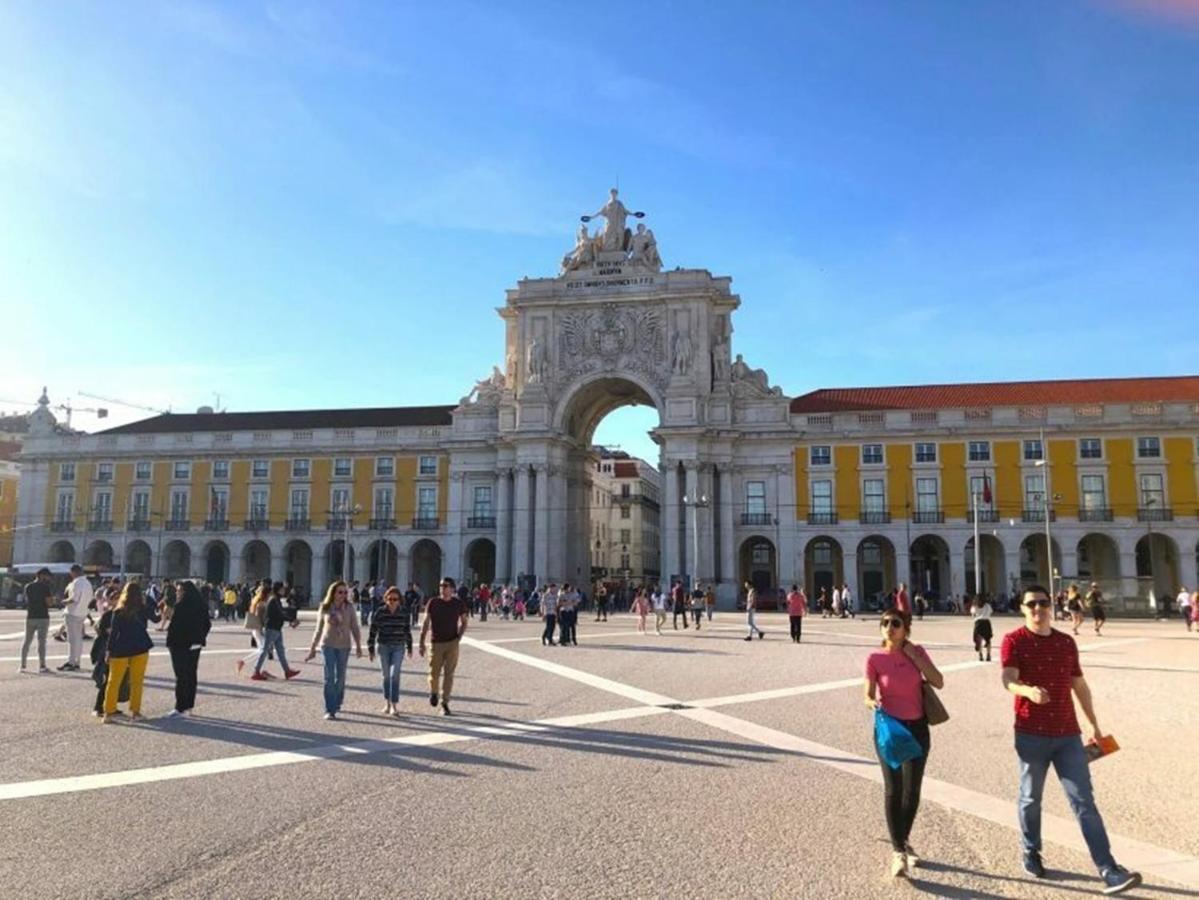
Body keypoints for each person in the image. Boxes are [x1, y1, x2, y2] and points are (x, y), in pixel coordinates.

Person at [1000, 585, 1142, 894]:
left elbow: (1079, 684)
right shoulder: (1014, 640)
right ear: (1022, 609)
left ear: (1051, 606)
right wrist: (1028, 691)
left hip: (1067, 734)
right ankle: (1031, 851)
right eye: (1031, 604)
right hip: (1030, 734)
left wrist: (1094, 724)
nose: (1038, 609)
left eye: (1042, 603)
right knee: (1030, 798)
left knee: (1084, 801)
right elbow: (1008, 679)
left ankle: (1109, 869)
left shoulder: (1065, 642)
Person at [863, 608, 944, 879]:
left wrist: (916, 658)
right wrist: (871, 701)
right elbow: (867, 692)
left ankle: (903, 839)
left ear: (905, 629)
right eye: (884, 623)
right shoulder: (874, 658)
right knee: (893, 788)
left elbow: (938, 681)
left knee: (912, 792)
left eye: (895, 623)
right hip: (890, 730)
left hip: (918, 728)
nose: (889, 627)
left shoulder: (917, 652)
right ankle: (898, 850)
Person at [101, 581, 160, 723]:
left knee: (113, 681)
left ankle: (108, 712)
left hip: (120, 648)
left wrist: (109, 650)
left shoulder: (118, 610)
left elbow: (113, 633)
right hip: (140, 646)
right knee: (136, 682)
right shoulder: (143, 608)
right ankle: (135, 712)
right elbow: (156, 619)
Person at [305, 581, 363, 720]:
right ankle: (329, 709)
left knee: (341, 677)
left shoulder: (349, 608)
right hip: (328, 645)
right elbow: (318, 629)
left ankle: (337, 700)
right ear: (333, 593)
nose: (343, 595)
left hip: (344, 646)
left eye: (345, 592)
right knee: (329, 677)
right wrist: (313, 648)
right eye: (340, 592)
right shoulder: (325, 607)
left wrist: (359, 645)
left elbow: (354, 627)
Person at [419, 577, 469, 715]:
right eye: (441, 585)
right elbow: (425, 622)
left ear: (452, 589)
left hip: (452, 642)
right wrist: (422, 641)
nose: (442, 588)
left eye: (445, 585)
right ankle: (434, 692)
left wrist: (459, 637)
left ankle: (445, 702)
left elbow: (464, 622)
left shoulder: (458, 603)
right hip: (436, 642)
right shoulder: (433, 602)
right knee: (433, 673)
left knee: (449, 674)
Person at [165, 581, 211, 718]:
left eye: (179, 591)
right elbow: (207, 624)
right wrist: (199, 637)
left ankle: (180, 707)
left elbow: (175, 627)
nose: (177, 593)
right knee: (191, 675)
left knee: (181, 676)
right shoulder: (201, 605)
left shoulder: (181, 606)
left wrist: (170, 642)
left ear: (185, 592)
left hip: (180, 645)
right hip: (195, 645)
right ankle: (189, 706)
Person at [368, 586, 413, 717]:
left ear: (399, 600)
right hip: (383, 646)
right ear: (385, 599)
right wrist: (370, 649)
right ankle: (387, 702)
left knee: (395, 675)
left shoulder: (404, 613)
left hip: (399, 646)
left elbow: (407, 631)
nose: (392, 601)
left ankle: (394, 705)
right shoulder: (380, 612)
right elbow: (373, 631)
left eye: (395, 599)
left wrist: (409, 647)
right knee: (386, 675)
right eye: (390, 599)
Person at [250, 585, 301, 682]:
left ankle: (287, 671)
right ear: (278, 589)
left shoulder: (275, 599)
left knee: (280, 650)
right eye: (282, 589)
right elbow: (279, 614)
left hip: (276, 628)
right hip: (272, 628)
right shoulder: (274, 600)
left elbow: (280, 613)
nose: (284, 590)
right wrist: (292, 620)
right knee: (265, 650)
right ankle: (256, 672)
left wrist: (290, 619)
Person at [59, 564, 93, 671]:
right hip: (82, 613)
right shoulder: (88, 583)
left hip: (73, 613)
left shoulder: (76, 583)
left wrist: (62, 601)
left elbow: (73, 599)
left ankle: (71, 662)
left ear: (74, 572)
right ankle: (77, 661)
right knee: (78, 638)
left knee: (72, 639)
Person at [19, 568, 53, 673]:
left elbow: (27, 600)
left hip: (31, 616)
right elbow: (49, 603)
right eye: (47, 576)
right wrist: (53, 600)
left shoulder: (28, 586)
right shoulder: (45, 587)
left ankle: (22, 665)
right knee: (41, 642)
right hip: (43, 616)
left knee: (27, 641)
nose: (48, 578)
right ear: (42, 575)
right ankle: (42, 666)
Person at [237, 585, 268, 675]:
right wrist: (263, 626)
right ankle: (244, 662)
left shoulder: (255, 600)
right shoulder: (261, 603)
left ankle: (260, 669)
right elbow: (260, 616)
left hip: (255, 627)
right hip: (258, 627)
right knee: (262, 649)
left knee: (261, 649)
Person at [971, 595, 993, 662]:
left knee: (979, 640)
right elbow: (991, 612)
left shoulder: (974, 606)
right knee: (988, 640)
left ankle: (980, 655)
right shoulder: (987, 606)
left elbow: (973, 615)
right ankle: (988, 655)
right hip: (986, 622)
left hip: (978, 623)